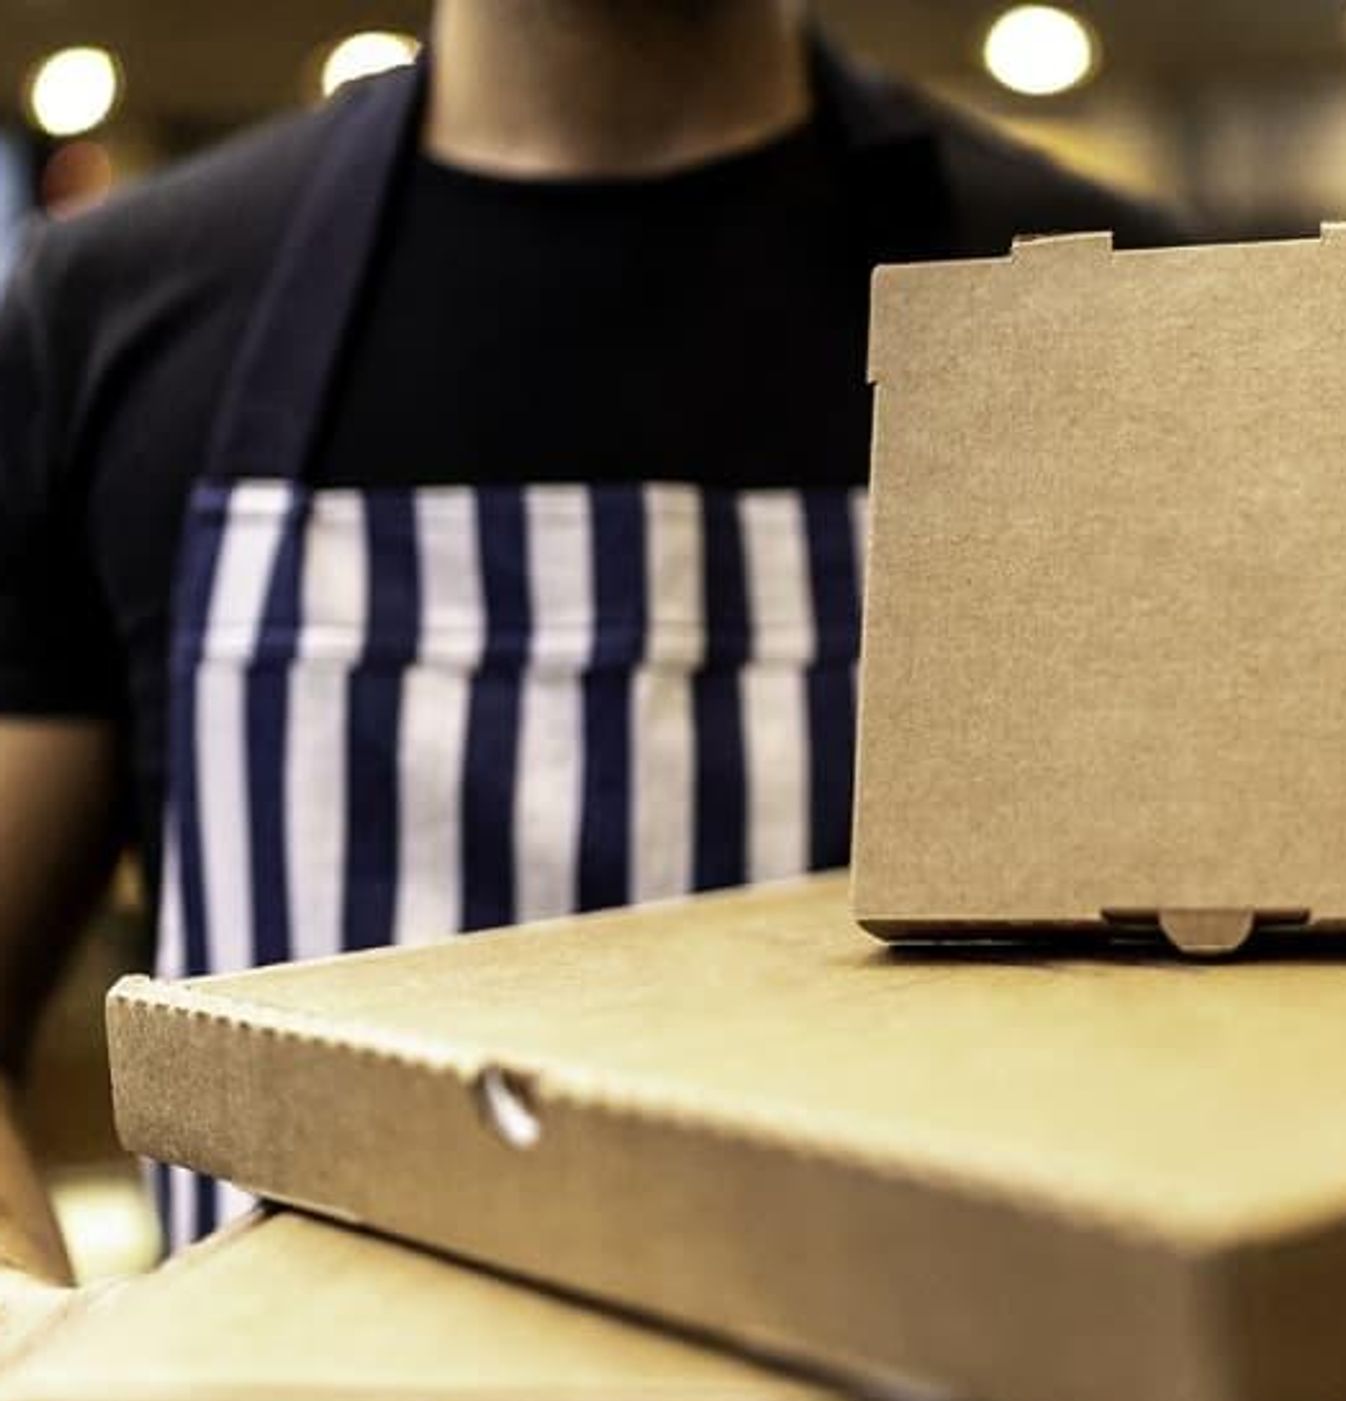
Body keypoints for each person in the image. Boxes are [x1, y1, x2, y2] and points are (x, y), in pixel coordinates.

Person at [0, 0, 1175, 1258]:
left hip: (932, 1372)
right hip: (288, 1392)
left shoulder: (1124, 308)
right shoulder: (115, 314)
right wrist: (48, 1346)